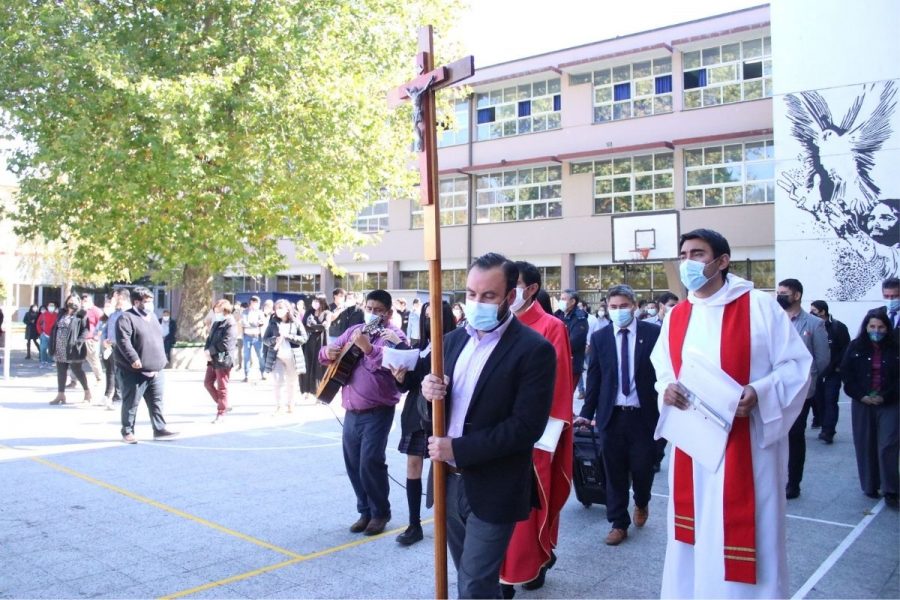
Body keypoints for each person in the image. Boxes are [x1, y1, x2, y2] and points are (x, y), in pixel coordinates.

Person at [651, 229, 812, 598]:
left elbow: (796, 366)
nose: (688, 262)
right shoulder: (677, 315)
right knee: (694, 534)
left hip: (748, 447)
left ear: (722, 261)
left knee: (746, 530)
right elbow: (662, 368)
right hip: (694, 446)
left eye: (698, 254)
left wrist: (759, 392)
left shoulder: (759, 306)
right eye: (684, 254)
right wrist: (667, 389)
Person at [417, 253, 556, 599]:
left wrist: (458, 448)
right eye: (470, 294)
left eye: (488, 296)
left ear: (511, 297)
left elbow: (526, 427)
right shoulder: (450, 342)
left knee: (475, 582)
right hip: (447, 482)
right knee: (471, 576)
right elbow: (427, 413)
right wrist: (426, 393)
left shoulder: (533, 350)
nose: (476, 303)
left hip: (495, 485)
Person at [499, 261, 573, 595]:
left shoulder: (551, 327)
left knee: (529, 508)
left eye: (513, 284)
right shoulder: (496, 323)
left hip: (532, 434)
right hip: (494, 434)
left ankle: (526, 566)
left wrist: (537, 434)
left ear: (531, 290)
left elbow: (556, 387)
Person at [574, 284, 660, 547]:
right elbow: (596, 378)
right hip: (612, 416)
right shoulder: (600, 337)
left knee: (643, 467)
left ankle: (642, 501)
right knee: (614, 472)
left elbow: (662, 372)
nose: (618, 311)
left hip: (644, 415)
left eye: (623, 306)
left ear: (634, 306)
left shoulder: (653, 333)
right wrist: (586, 413)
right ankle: (618, 523)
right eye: (613, 307)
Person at [319, 289, 407, 536]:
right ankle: (364, 511)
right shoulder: (353, 330)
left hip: (379, 410)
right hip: (351, 411)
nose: (372, 313)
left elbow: (395, 362)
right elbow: (324, 352)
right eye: (369, 308)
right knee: (353, 463)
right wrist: (329, 353)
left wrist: (369, 349)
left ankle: (380, 512)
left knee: (370, 461)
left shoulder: (393, 335)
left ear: (389, 313)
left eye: (378, 310)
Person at [391, 300, 455, 546]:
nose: (429, 320)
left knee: (444, 467)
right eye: (426, 316)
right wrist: (399, 377)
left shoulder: (452, 345)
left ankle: (447, 519)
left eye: (435, 315)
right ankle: (414, 524)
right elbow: (406, 386)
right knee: (413, 466)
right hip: (415, 413)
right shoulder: (419, 347)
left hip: (441, 413)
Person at [840, 311, 899, 508]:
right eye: (872, 327)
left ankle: (891, 489)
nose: (876, 331)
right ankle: (870, 485)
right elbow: (847, 375)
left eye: (881, 327)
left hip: (890, 402)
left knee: (888, 445)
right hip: (862, 402)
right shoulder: (855, 346)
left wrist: (886, 396)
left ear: (887, 328)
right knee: (865, 443)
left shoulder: (895, 347)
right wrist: (861, 395)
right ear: (866, 327)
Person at [778, 278, 829, 500]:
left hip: (802, 390)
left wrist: (808, 377)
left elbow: (822, 358)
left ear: (797, 295)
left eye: (784, 292)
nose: (779, 296)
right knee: (777, 436)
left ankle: (793, 482)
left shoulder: (813, 324)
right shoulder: (775, 320)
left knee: (795, 434)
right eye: (778, 292)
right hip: (776, 388)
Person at [114, 286, 178, 444]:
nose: (150, 304)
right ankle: (127, 431)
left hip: (156, 368)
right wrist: (133, 358)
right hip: (134, 370)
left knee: (156, 402)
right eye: (147, 301)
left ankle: (159, 429)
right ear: (136, 302)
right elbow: (124, 341)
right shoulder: (126, 318)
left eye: (151, 301)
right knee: (131, 403)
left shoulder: (153, 316)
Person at [809, 300, 850, 444]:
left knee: (831, 400)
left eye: (813, 310)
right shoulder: (812, 326)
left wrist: (838, 367)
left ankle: (828, 431)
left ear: (822, 312)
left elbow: (846, 349)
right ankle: (821, 422)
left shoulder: (838, 327)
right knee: (818, 400)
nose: (811, 312)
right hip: (817, 372)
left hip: (833, 372)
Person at [263, 299, 309, 414]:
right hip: (277, 356)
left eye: (281, 308)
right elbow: (265, 340)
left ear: (287, 309)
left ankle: (290, 404)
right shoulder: (273, 322)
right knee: (278, 381)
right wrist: (274, 340)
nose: (278, 311)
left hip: (292, 357)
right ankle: (279, 406)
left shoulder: (296, 322)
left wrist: (289, 336)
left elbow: (304, 338)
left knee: (291, 382)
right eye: (277, 308)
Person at [48, 295, 91, 405]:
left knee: (77, 370)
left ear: (79, 302)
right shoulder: (62, 313)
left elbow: (85, 330)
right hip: (60, 346)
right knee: (61, 371)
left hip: (73, 348)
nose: (72, 303)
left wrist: (79, 342)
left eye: (74, 301)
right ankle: (61, 394)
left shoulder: (82, 315)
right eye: (70, 300)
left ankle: (87, 392)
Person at [204, 299, 238, 423]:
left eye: (218, 311)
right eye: (215, 310)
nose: (216, 313)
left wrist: (210, 351)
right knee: (208, 383)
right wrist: (206, 350)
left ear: (225, 311)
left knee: (222, 386)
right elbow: (209, 338)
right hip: (212, 358)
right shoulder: (216, 323)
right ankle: (224, 404)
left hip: (223, 357)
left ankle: (221, 412)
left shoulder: (230, 324)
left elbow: (226, 344)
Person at [301, 295, 329, 401]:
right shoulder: (309, 312)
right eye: (314, 300)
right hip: (308, 342)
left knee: (319, 367)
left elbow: (324, 326)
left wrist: (312, 327)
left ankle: (319, 391)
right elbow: (303, 325)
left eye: (317, 301)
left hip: (321, 342)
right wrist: (316, 327)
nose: (315, 303)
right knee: (308, 365)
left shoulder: (326, 313)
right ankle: (308, 390)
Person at [560, 289, 590, 389]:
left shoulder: (579, 318)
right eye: (561, 299)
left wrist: (556, 347)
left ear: (573, 301)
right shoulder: (559, 314)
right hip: (559, 363)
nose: (561, 301)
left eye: (564, 299)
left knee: (565, 394)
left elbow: (574, 342)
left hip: (571, 365)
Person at [80, 293, 105, 387]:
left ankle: (99, 379)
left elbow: (103, 323)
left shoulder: (95, 310)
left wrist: (97, 336)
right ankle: (73, 380)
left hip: (90, 340)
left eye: (86, 300)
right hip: (80, 339)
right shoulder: (81, 310)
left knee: (94, 360)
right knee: (75, 361)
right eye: (83, 300)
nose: (84, 302)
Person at [241, 295, 266, 382]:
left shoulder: (260, 312)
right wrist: (256, 323)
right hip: (247, 337)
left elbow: (262, 322)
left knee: (261, 356)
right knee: (246, 356)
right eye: (257, 303)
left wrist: (251, 323)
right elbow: (244, 323)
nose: (258, 305)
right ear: (252, 303)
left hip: (257, 337)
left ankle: (263, 373)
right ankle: (246, 375)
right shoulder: (245, 312)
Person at [37, 302, 58, 368]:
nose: (51, 307)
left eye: (52, 306)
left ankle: (49, 362)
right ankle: (43, 362)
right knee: (43, 348)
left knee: (51, 349)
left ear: (54, 307)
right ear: (47, 307)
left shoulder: (57, 315)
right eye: (50, 306)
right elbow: (38, 324)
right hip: (44, 335)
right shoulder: (43, 315)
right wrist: (40, 332)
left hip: (53, 335)